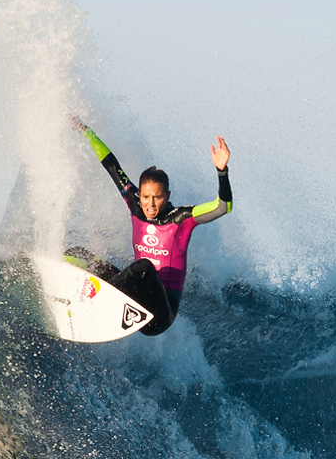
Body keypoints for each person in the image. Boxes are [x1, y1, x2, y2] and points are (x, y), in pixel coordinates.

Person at [67, 117, 232, 336]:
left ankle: (97, 300)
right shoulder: (135, 205)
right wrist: (87, 132)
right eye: (145, 197)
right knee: (76, 253)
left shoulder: (181, 219)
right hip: (133, 302)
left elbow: (223, 207)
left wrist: (222, 171)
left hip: (160, 316)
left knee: (143, 267)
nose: (150, 204)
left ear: (168, 196)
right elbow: (112, 165)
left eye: (157, 197)